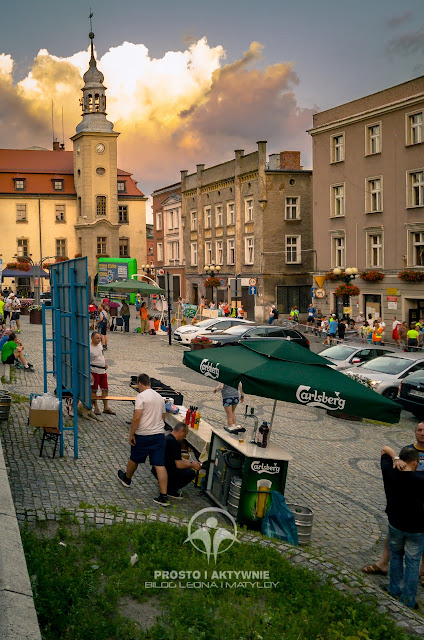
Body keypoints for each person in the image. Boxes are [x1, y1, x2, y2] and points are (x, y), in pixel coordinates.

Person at [362, 422, 424, 585]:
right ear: (414, 432)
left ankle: (423, 572)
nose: (422, 433)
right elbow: (387, 451)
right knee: (395, 532)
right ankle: (383, 564)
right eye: (419, 430)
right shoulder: (409, 449)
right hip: (404, 501)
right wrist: (396, 458)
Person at [380, 446, 424, 608]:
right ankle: (408, 599)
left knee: (396, 556)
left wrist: (395, 457)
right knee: (413, 563)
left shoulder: (389, 473)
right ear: (414, 462)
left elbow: (384, 449)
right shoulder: (420, 480)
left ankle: (394, 589)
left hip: (395, 523)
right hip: (417, 528)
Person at [117, 373, 169, 506]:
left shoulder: (141, 397)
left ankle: (127, 479)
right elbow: (163, 417)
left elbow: (137, 417)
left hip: (144, 434)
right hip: (159, 435)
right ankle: (164, 496)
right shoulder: (160, 397)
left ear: (140, 383)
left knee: (134, 457)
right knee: (160, 464)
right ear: (149, 383)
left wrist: (131, 434)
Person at [152, 423, 202, 499]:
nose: (185, 437)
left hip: (156, 469)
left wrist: (191, 462)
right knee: (191, 473)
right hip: (166, 471)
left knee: (186, 467)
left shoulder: (168, 438)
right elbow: (179, 464)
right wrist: (192, 465)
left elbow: (178, 458)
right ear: (181, 431)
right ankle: (171, 490)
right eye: (185, 434)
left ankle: (164, 484)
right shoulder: (175, 443)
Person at [90, 332, 116, 416]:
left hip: (102, 371)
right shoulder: (89, 348)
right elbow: (86, 361)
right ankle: (96, 407)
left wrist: (104, 363)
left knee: (105, 389)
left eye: (100, 338)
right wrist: (89, 373)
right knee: (94, 390)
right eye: (97, 338)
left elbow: (101, 355)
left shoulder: (100, 345)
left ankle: (106, 407)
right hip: (94, 371)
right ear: (92, 338)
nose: (99, 340)